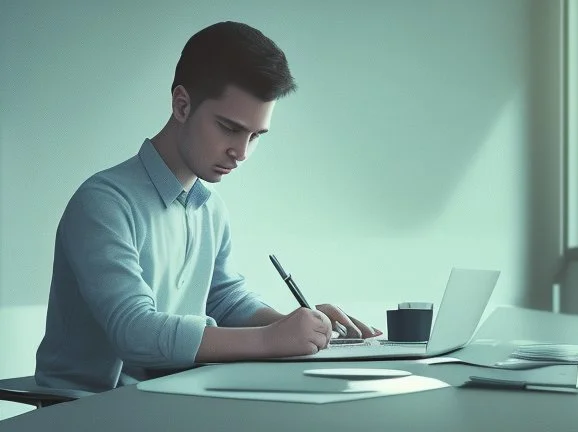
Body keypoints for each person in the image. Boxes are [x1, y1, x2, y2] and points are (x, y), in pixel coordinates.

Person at [35, 21, 381, 393]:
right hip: (88, 413)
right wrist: (270, 340)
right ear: (182, 104)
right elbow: (135, 332)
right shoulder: (103, 203)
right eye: (229, 128)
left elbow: (224, 299)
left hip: (171, 401)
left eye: (255, 136)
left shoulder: (209, 209)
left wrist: (299, 328)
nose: (242, 153)